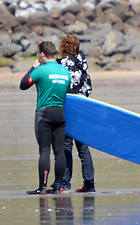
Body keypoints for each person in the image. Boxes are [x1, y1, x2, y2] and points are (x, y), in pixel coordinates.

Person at [20, 41, 71, 195]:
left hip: (44, 114)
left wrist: (33, 67)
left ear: (42, 54)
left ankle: (42, 187)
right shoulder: (65, 72)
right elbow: (67, 91)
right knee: (59, 151)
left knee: (44, 150)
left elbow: (23, 84)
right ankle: (57, 185)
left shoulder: (40, 70)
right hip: (60, 114)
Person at [58, 35, 95, 193]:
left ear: (64, 47)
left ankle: (65, 184)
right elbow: (88, 87)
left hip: (69, 106)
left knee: (66, 146)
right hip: (83, 106)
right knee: (83, 147)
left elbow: (60, 87)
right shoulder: (83, 63)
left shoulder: (62, 64)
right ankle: (89, 183)